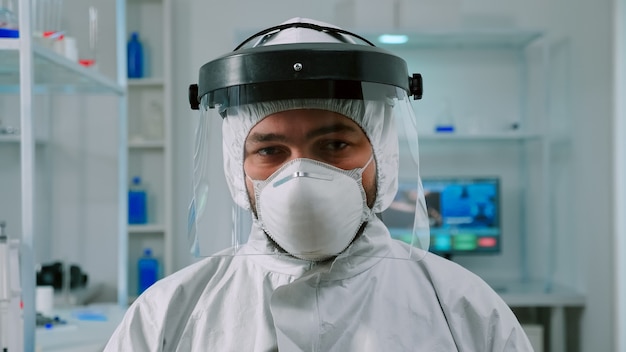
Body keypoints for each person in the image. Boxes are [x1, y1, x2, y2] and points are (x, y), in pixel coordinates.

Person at [104, 18, 533, 351]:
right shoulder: (167, 315)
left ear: (380, 154)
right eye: (270, 151)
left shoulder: (464, 309)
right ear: (239, 169)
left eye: (333, 144)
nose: (301, 177)